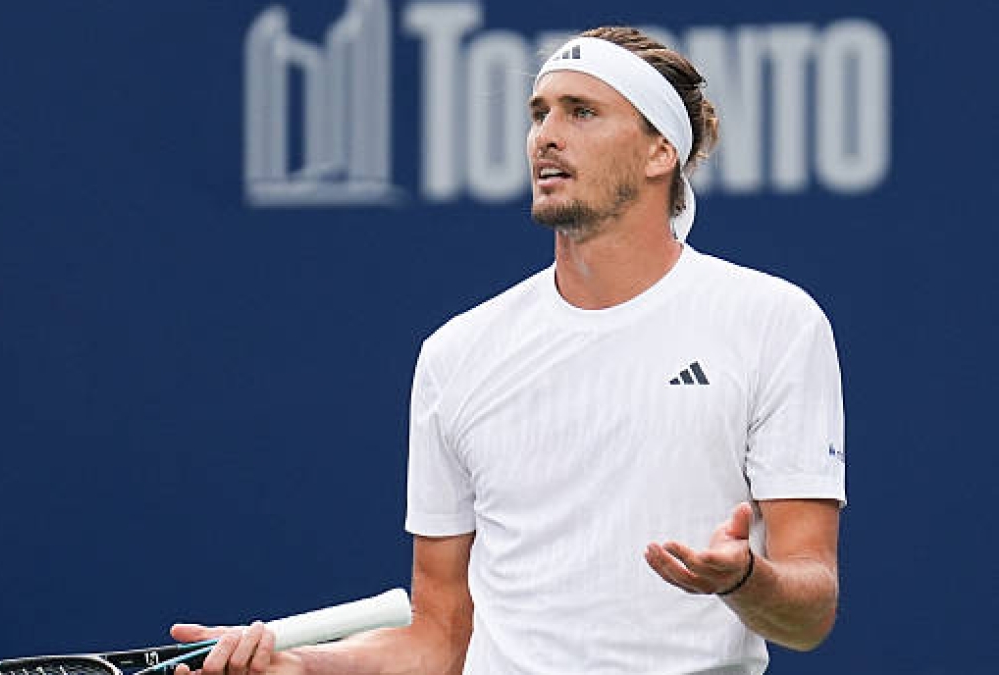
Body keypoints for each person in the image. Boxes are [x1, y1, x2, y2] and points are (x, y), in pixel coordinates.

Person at [172, 25, 845, 675]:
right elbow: (438, 641)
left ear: (658, 151)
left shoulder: (773, 323)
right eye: (539, 112)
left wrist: (745, 578)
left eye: (582, 112)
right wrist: (302, 664)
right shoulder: (457, 354)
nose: (546, 135)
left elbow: (808, 615)